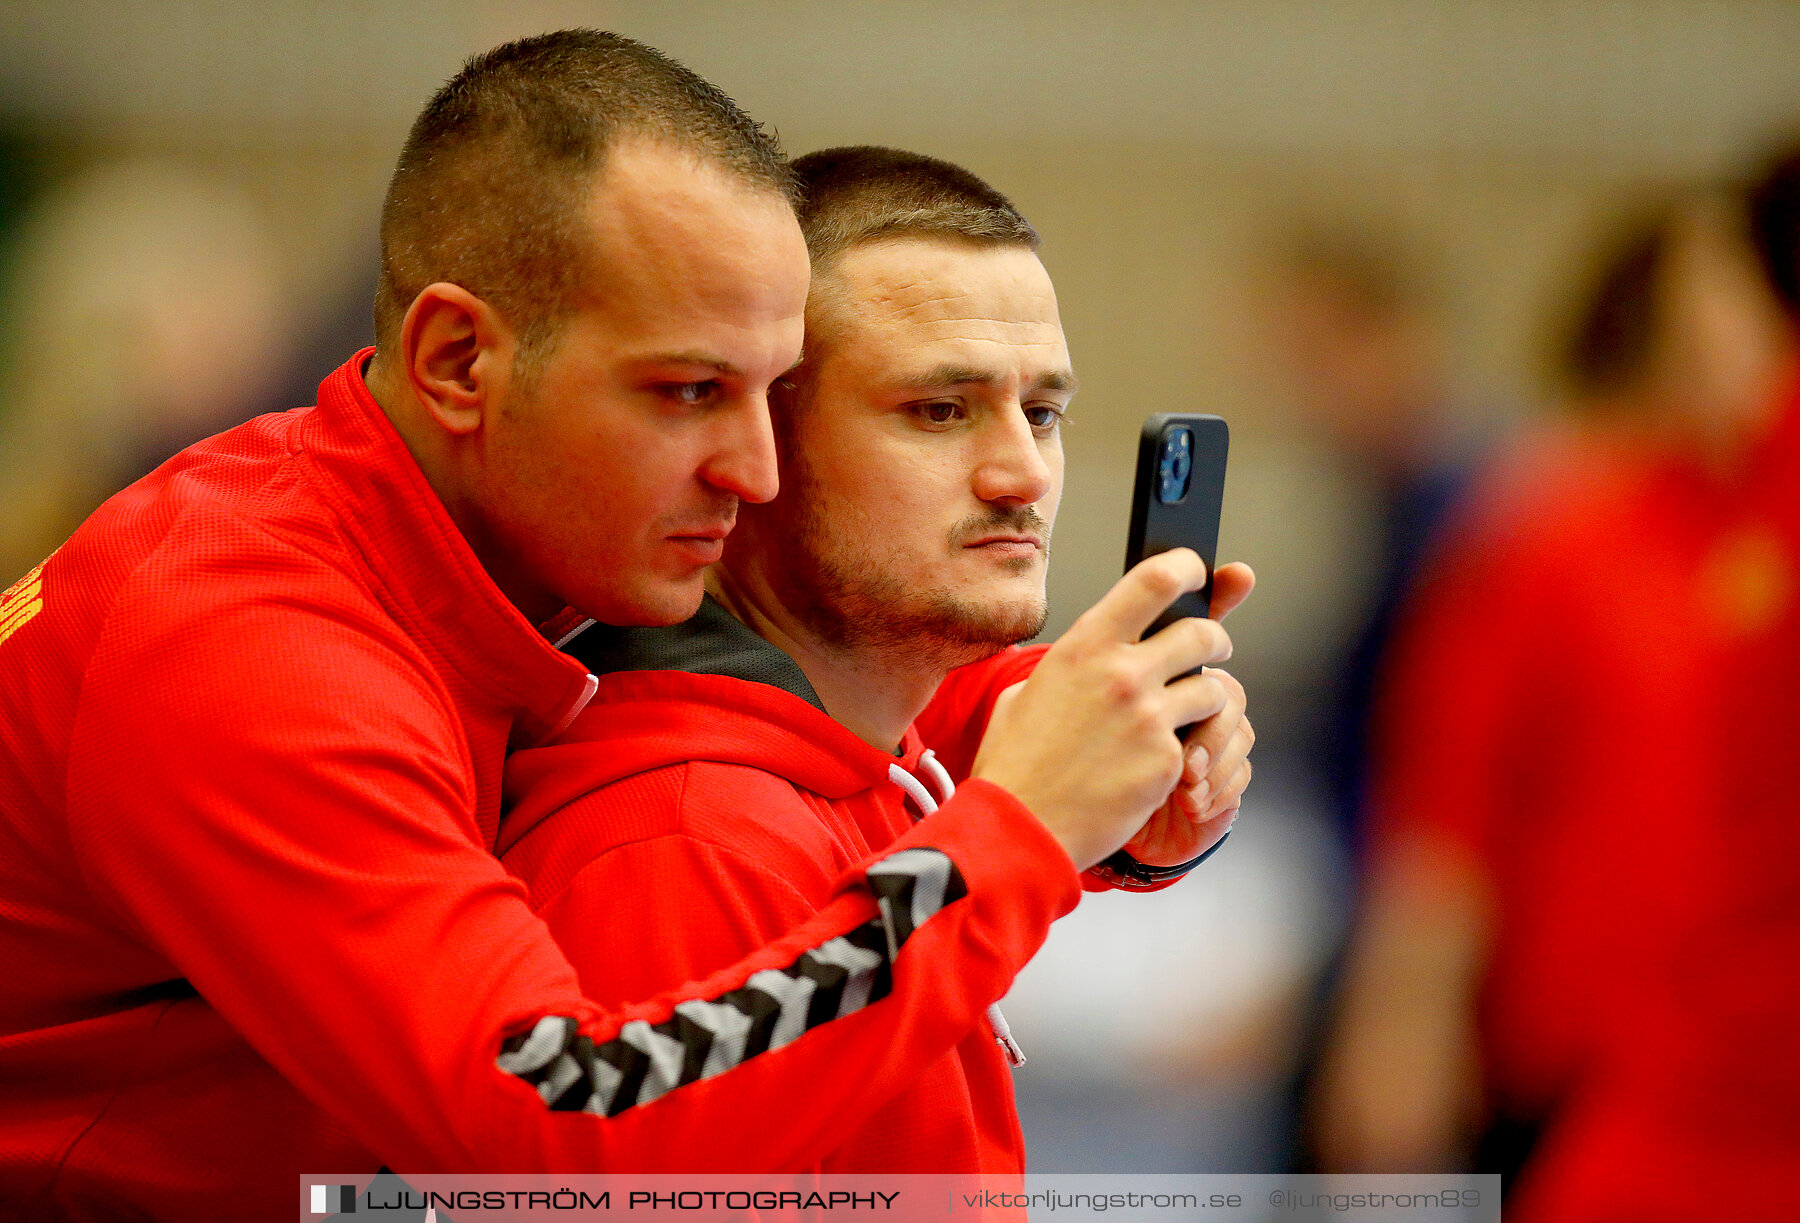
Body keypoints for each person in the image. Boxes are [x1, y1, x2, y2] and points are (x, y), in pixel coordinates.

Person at [0, 31, 1241, 1220]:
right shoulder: (249, 651)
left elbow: (788, 679)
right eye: (691, 390)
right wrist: (1015, 833)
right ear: (456, 361)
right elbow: (579, 1132)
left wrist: (1076, 765)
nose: (756, 467)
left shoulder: (496, 517)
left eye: (769, 389)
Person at [497, 146, 1257, 1173]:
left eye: (1042, 412)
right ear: (749, 446)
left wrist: (1116, 815)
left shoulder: (848, 758)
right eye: (938, 410)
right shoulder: (683, 843)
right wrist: (1028, 825)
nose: (1022, 473)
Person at [1308, 182, 1796, 1218]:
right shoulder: (1556, 522)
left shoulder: (1769, 522)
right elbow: (1448, 799)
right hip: (1571, 1057)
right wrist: (1400, 1028)